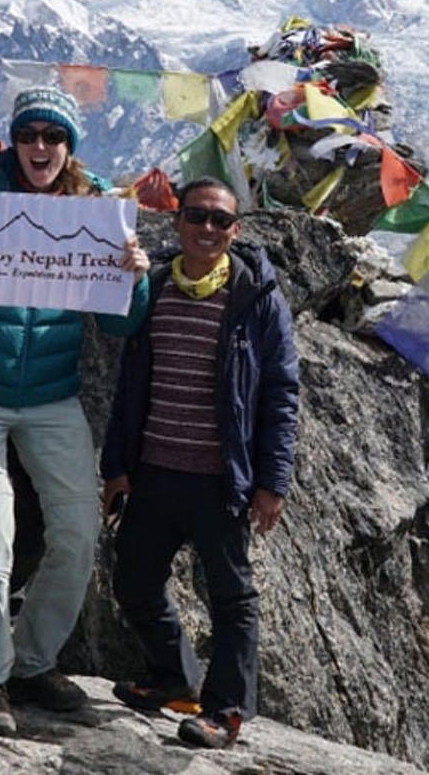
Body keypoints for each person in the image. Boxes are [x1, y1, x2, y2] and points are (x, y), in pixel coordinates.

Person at [0, 86, 151, 737]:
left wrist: (135, 275)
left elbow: (123, 321)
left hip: (51, 394)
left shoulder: (95, 206)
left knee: (79, 530)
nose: (40, 147)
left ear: (70, 145)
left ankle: (33, 661)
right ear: (13, 140)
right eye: (29, 135)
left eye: (54, 136)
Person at [101, 178, 301, 750]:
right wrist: (117, 465)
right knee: (134, 581)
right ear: (177, 221)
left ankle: (226, 711)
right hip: (155, 470)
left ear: (235, 231)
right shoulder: (155, 284)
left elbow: (282, 394)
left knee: (231, 598)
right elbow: (128, 385)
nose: (207, 229)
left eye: (220, 221)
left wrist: (272, 481)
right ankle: (175, 678)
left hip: (220, 480)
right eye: (197, 216)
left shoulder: (256, 297)